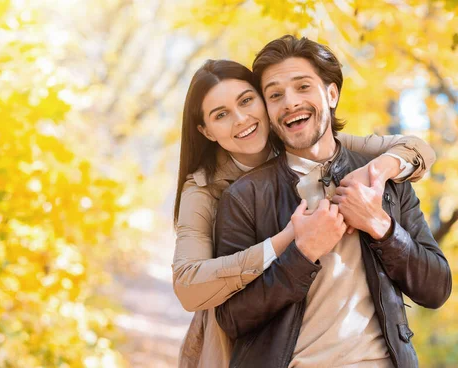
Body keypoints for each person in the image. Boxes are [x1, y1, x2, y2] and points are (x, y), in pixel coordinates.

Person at [173, 59, 437, 367]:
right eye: (221, 115)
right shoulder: (204, 189)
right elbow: (188, 287)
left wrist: (379, 169)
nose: (241, 119)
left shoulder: (298, 140)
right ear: (205, 131)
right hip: (233, 338)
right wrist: (287, 241)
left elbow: (414, 147)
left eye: (246, 100)